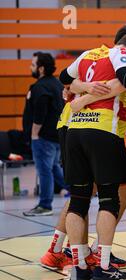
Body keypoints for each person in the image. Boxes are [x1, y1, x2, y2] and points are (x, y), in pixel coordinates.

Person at [39, 25, 126, 271]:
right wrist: (85, 95)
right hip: (93, 128)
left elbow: (66, 81)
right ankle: (72, 252)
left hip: (75, 126)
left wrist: (83, 91)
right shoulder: (123, 59)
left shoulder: (89, 56)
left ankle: (79, 254)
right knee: (105, 193)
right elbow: (120, 84)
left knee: (84, 194)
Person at [22, 52, 68, 217]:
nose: (30, 67)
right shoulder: (56, 84)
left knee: (44, 170)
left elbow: (40, 111)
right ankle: (82, 192)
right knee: (54, 168)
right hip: (56, 136)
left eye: (33, 64)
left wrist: (34, 133)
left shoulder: (40, 87)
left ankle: (45, 205)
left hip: (43, 138)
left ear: (41, 68)